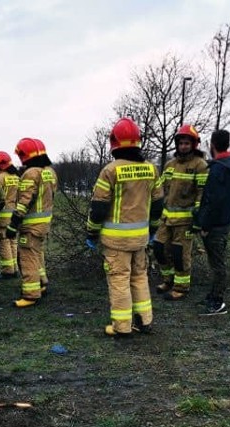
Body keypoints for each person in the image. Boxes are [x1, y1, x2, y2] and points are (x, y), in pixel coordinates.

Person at [87, 117, 162, 338]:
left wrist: (91, 232)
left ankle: (122, 327)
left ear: (114, 142)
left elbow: (98, 208)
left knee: (119, 280)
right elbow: (158, 205)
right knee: (139, 277)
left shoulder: (110, 171)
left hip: (116, 241)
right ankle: (145, 321)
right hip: (140, 238)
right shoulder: (151, 169)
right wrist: (152, 230)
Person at [152, 124, 209, 300]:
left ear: (194, 144)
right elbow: (159, 188)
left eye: (187, 143)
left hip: (186, 221)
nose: (183, 146)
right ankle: (168, 280)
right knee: (159, 248)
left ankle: (181, 287)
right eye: (181, 143)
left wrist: (198, 218)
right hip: (166, 219)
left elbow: (203, 192)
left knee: (180, 254)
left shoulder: (200, 165)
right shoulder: (170, 165)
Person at [193, 129, 230, 315]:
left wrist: (204, 225)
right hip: (225, 220)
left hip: (216, 225)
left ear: (212, 144)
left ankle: (217, 301)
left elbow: (212, 201)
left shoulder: (218, 169)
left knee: (217, 263)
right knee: (217, 261)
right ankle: (213, 295)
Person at [6, 138, 57, 308]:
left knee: (27, 258)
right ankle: (42, 283)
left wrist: (13, 224)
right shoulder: (50, 172)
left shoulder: (30, 173)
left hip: (31, 225)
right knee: (37, 255)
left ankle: (30, 295)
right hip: (44, 224)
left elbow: (24, 202)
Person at [0, 151, 20, 279]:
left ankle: (8, 271)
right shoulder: (17, 177)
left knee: (4, 242)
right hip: (14, 213)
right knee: (13, 241)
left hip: (3, 215)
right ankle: (15, 269)